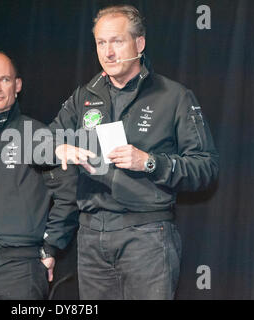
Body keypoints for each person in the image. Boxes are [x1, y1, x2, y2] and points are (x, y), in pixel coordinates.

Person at [50, 5, 219, 299]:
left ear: (139, 44)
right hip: (91, 237)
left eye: (117, 41)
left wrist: (150, 162)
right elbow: (41, 139)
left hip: (147, 236)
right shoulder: (85, 95)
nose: (108, 52)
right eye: (101, 43)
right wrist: (58, 145)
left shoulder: (174, 96)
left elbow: (206, 168)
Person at [0, 51, 78, 300]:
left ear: (17, 85)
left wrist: (50, 246)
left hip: (19, 270)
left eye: (4, 80)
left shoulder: (34, 133)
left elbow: (69, 192)